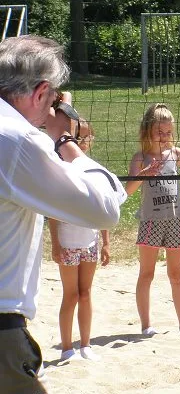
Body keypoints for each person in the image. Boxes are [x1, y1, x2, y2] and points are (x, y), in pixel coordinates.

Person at [0, 35, 125, 393]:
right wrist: (64, 140)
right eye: (52, 98)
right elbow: (104, 208)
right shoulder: (17, 139)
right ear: (40, 93)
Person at [125, 103, 180, 338]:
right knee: (147, 274)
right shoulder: (140, 158)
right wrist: (144, 174)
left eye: (168, 133)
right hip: (151, 220)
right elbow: (129, 190)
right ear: (147, 132)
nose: (164, 137)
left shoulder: (175, 154)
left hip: (175, 220)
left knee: (176, 275)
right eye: (159, 133)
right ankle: (146, 325)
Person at [49, 118, 111, 361]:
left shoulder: (94, 170)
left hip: (90, 241)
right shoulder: (61, 169)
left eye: (86, 137)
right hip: (67, 241)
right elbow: (53, 213)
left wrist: (105, 242)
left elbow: (103, 209)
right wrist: (55, 243)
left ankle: (85, 345)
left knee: (85, 293)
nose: (83, 142)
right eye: (78, 137)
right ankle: (66, 348)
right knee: (71, 294)